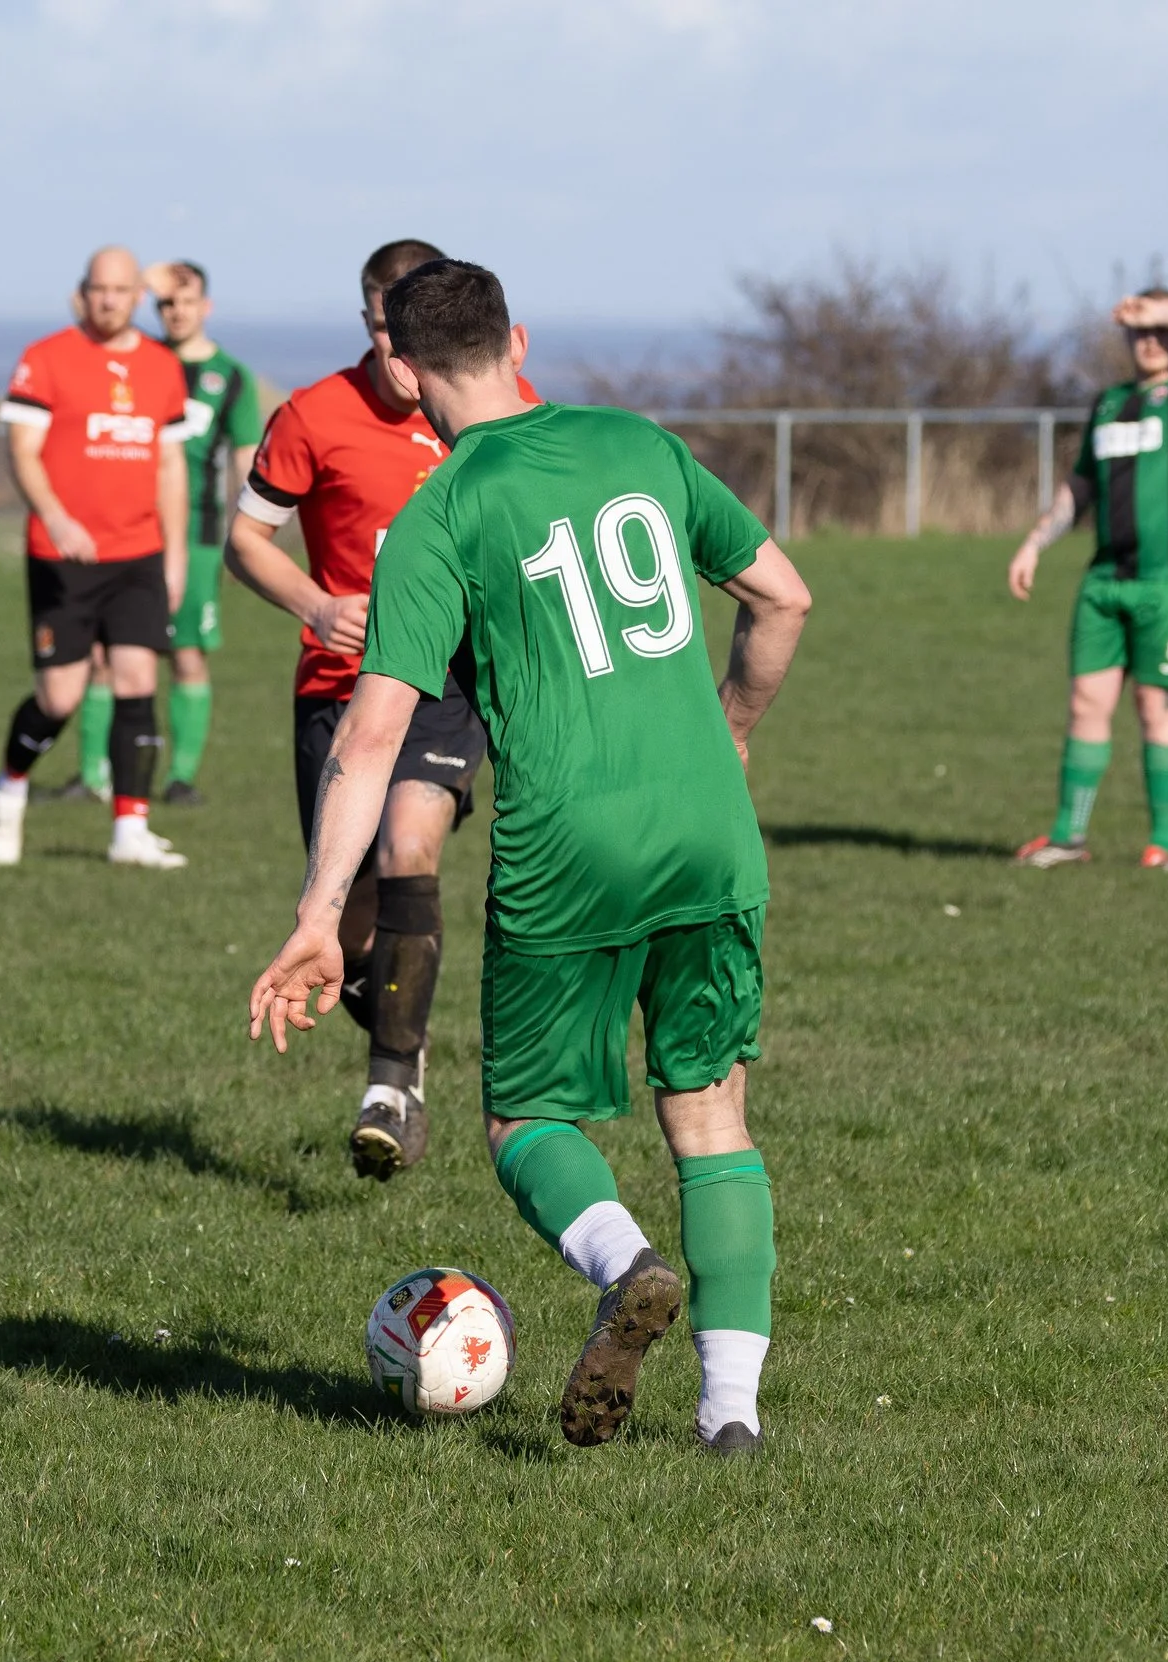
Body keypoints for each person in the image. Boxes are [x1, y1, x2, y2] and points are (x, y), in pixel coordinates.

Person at [248, 259, 812, 1456]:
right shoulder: (639, 444)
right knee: (710, 1116)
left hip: (570, 839)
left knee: (525, 1119)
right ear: (518, 337)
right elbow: (782, 598)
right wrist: (734, 736)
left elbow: (374, 727)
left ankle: (626, 1265)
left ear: (400, 367)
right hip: (710, 826)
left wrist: (316, 908)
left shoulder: (440, 514)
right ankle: (732, 1416)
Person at [226, 240, 536, 1181]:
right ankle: (402, 1024)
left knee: (412, 841)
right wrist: (315, 604)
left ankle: (391, 1084)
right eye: (377, 327)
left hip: (446, 684)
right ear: (368, 322)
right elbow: (244, 538)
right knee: (356, 929)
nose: (393, 352)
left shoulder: (490, 415)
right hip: (337, 683)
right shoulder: (313, 416)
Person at [1008, 289, 1168, 872]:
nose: (1149, 340)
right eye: (1138, 331)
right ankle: (1069, 837)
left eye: (1161, 329)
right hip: (1105, 581)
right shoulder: (1109, 403)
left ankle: (1161, 846)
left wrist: (1164, 313)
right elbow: (1080, 487)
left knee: (1154, 705)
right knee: (1086, 702)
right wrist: (1034, 542)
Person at [0, 245, 193, 870]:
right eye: (99, 289)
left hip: (138, 554)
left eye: (122, 290)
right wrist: (55, 516)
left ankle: (130, 828)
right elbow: (22, 450)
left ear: (137, 297)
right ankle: (10, 787)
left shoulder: (161, 367)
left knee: (137, 680)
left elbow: (171, 465)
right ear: (83, 293)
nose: (109, 300)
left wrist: (174, 554)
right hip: (63, 554)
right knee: (60, 698)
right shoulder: (45, 359)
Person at [44, 262, 263, 808]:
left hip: (199, 535)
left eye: (187, 302)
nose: (177, 312)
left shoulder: (231, 377)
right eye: (166, 303)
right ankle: (93, 778)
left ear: (206, 307)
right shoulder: (137, 361)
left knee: (186, 653)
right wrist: (139, 277)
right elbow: (86, 313)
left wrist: (249, 541)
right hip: (129, 530)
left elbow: (245, 463)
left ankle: (180, 777)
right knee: (102, 654)